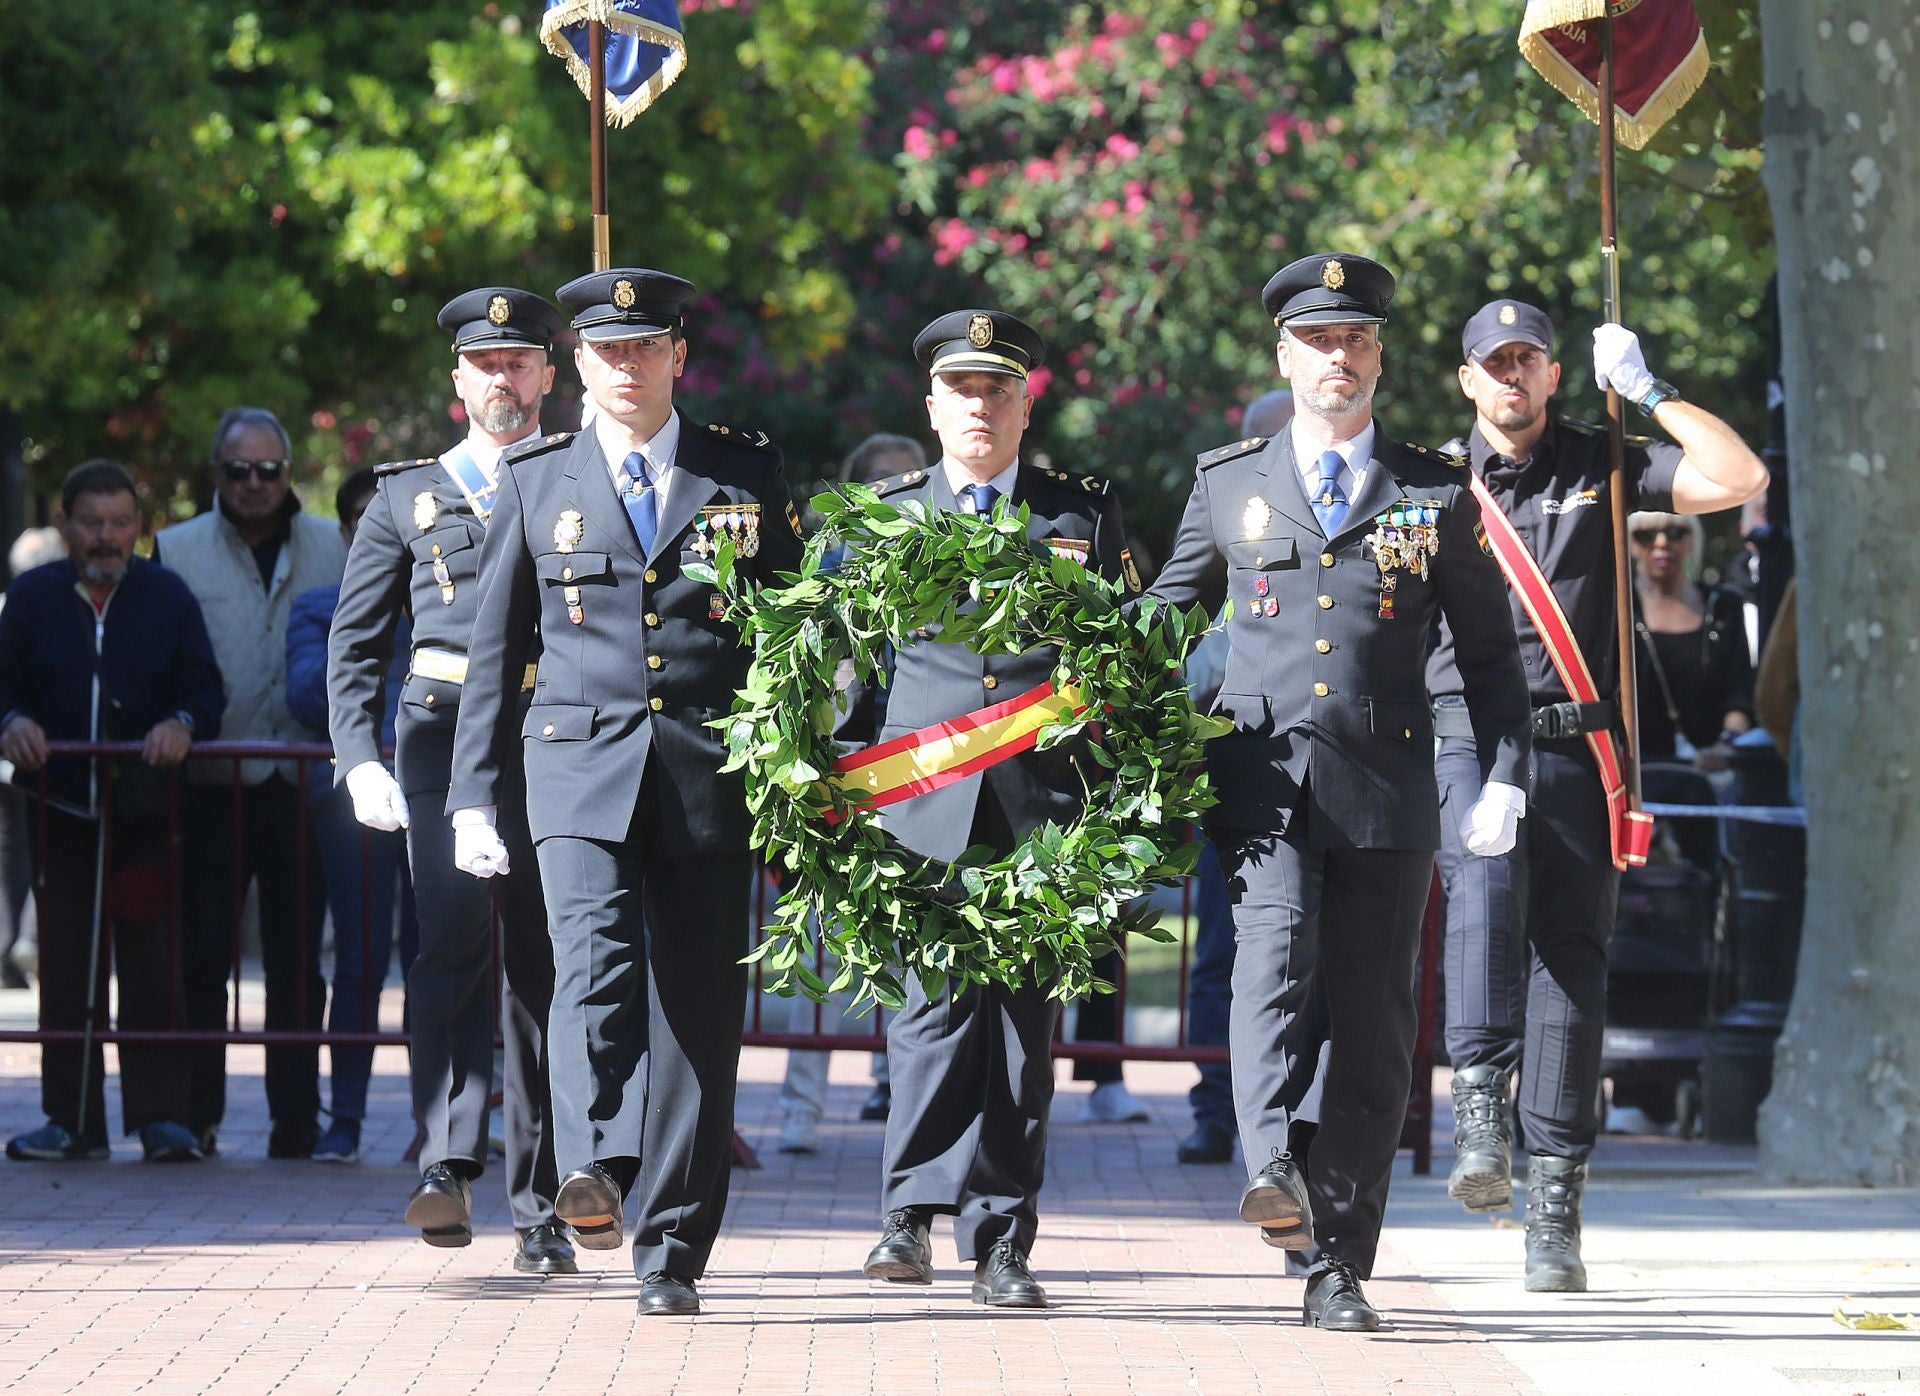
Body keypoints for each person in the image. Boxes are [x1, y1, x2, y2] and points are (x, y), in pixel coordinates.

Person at [1147, 255, 1532, 1332]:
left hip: (1388, 786)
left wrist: (1504, 775)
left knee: (1372, 1026)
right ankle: (1272, 1161)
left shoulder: (1434, 489)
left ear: (1379, 356)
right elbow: (1164, 614)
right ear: (1285, 357)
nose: (1338, 357)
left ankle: (1339, 1267)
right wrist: (1078, 678)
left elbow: (1491, 660)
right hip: (1263, 786)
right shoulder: (1229, 481)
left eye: (1355, 338)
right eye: (1318, 340)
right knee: (1268, 968)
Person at [446, 268, 803, 1315]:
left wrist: (808, 753)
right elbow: (495, 645)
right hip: (575, 766)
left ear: (678, 356)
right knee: (590, 965)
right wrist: (472, 795)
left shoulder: (743, 471)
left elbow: (794, 622)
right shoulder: (538, 475)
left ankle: (674, 1249)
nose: (627, 367)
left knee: (698, 1013)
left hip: (708, 772)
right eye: (607, 350)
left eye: (645, 347)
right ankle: (596, 1165)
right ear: (581, 364)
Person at [1432, 298, 1767, 1292]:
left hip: (1579, 745)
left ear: (1553, 373)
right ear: (1468, 380)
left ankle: (1555, 1208)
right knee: (1483, 902)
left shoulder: (1603, 459)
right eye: (1495, 363)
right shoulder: (1432, 479)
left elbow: (1741, 477)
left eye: (1528, 359)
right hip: (1474, 739)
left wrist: (1649, 390)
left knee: (1572, 969)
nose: (1513, 376)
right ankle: (1480, 1115)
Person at [853, 308, 1135, 1310]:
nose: (979, 406)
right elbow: (848, 666)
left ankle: (1002, 1241)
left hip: (1041, 811)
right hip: (919, 801)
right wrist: (839, 787)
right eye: (961, 390)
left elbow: (1122, 661)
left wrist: (1119, 807)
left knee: (1022, 1035)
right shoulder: (884, 513)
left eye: (998, 390)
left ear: (1026, 406)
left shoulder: (1080, 515)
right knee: (924, 1017)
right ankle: (907, 1216)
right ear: (931, 407)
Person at [328, 288, 573, 1273]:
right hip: (438, 741)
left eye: (518, 363)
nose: (501, 380)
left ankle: (544, 1203)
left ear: (548, 374)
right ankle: (446, 1162)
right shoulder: (403, 498)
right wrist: (357, 757)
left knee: (544, 968)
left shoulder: (578, 480)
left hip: (550, 738)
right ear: (457, 382)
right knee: (450, 950)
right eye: (485, 365)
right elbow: (355, 643)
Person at [0, 461, 224, 1162]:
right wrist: (11, 721)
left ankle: (162, 1119)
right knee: (65, 968)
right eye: (92, 523)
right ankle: (71, 1120)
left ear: (138, 528)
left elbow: (205, 691)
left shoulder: (167, 596)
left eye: (120, 523)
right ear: (65, 525)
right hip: (59, 809)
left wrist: (181, 723)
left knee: (155, 966)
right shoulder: (31, 597)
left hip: (146, 814)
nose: (106, 536)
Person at [154, 409, 349, 1159]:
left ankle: (295, 1118)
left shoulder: (336, 544)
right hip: (211, 779)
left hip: (306, 780)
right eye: (239, 470)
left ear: (289, 472)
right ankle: (196, 1114)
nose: (255, 483)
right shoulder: (175, 548)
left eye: (269, 470)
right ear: (217, 473)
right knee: (202, 955)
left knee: (299, 962)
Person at [772, 432, 926, 1149]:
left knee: (915, 941)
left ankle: (902, 1094)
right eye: (880, 482)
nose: (894, 495)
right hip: (845, 766)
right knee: (822, 945)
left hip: (925, 766)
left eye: (908, 481)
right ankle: (800, 1110)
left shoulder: (946, 552)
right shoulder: (829, 559)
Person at [287, 467, 419, 1166]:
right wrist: (366, 617)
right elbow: (308, 696)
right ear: (346, 533)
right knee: (358, 959)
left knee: (434, 958)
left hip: (437, 793)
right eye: (370, 519)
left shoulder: (444, 602)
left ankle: (441, 1126)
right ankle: (344, 1121)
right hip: (355, 796)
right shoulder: (320, 606)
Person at [1178, 387, 1295, 1166]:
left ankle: (1298, 1118)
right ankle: (1215, 1108)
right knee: (1224, 959)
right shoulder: (1226, 545)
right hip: (1241, 792)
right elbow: (1192, 667)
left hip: (1327, 780)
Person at [1627, 510, 1754, 770]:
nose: (1661, 543)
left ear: (1693, 539)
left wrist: (1727, 744)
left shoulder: (1723, 605)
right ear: (1630, 543)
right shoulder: (1617, 610)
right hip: (1637, 769)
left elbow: (1740, 690)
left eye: (1675, 533)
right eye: (1646, 535)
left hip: (1713, 770)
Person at [0, 526, 67, 991]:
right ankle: (27, 938)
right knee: (41, 849)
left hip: (26, 756)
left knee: (14, 852)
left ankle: (18, 941)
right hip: (30, 755)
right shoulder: (41, 613)